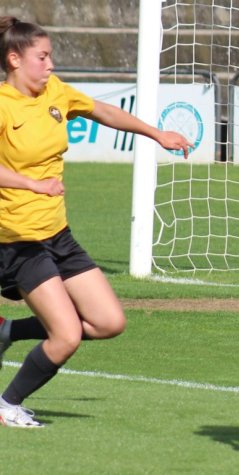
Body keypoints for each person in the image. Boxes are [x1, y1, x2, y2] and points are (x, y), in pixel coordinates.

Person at [0, 17, 191, 428]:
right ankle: (7, 404)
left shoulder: (54, 92)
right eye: (42, 57)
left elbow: (101, 110)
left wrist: (156, 134)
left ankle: (7, 334)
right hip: (17, 241)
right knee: (66, 336)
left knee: (109, 322)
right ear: (14, 59)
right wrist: (32, 184)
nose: (50, 65)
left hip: (57, 234)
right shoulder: (2, 105)